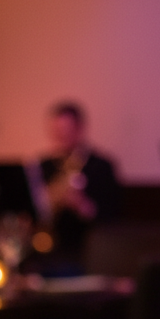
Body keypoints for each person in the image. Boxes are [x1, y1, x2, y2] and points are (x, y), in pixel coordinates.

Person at [37, 102, 122, 268]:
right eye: (57, 131)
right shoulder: (43, 166)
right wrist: (46, 200)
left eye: (66, 131)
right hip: (49, 248)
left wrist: (82, 205)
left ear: (80, 129)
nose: (61, 136)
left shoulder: (101, 166)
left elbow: (114, 215)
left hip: (88, 249)